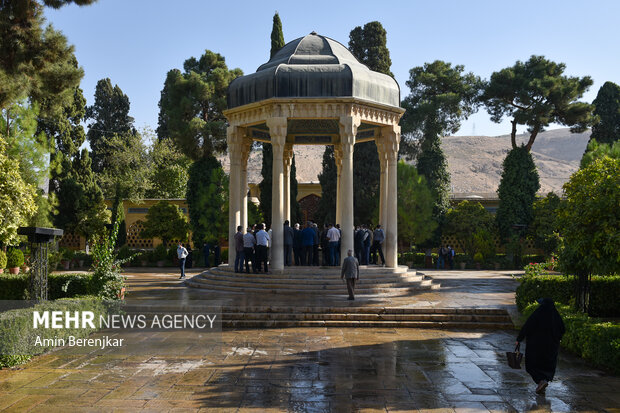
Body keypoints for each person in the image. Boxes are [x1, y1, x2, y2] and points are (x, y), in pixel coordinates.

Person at [516, 298, 566, 394]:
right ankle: (544, 381)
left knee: (532, 365)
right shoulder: (555, 315)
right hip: (551, 347)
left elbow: (528, 326)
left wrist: (519, 339)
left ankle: (540, 381)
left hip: (536, 346)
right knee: (548, 366)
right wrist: (556, 338)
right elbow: (562, 329)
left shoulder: (538, 313)